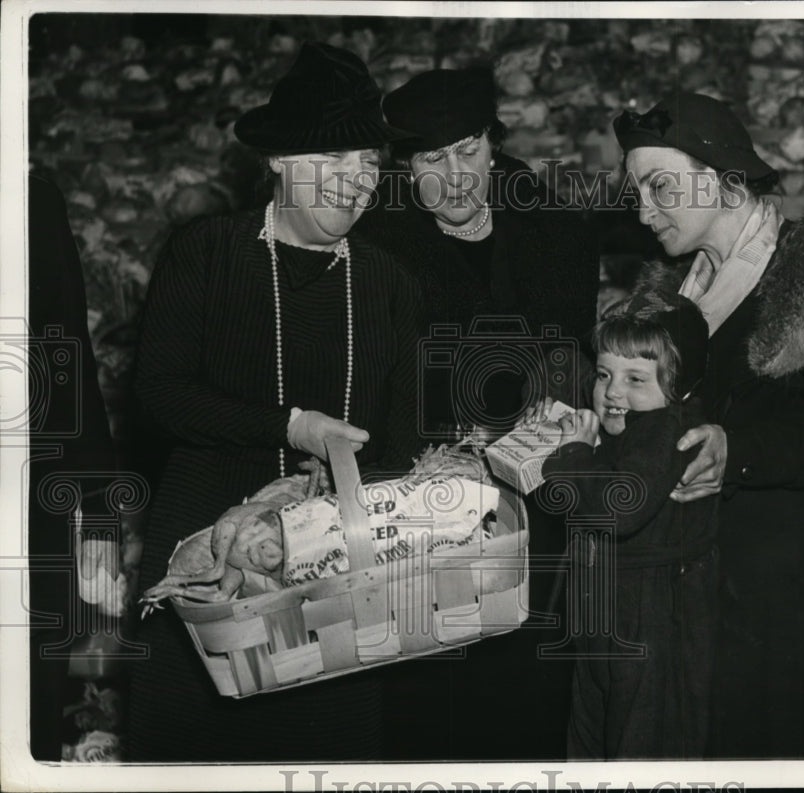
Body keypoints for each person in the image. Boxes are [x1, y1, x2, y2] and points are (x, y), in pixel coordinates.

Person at [127, 43, 423, 762]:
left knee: (317, 758)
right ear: (281, 162)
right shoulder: (207, 253)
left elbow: (405, 436)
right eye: (334, 158)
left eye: (369, 161)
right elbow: (159, 394)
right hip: (206, 568)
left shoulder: (389, 281)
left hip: (333, 578)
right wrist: (290, 427)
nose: (357, 180)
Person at [613, 92, 804, 758]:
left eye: (659, 186)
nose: (642, 210)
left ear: (724, 181)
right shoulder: (678, 289)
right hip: (686, 591)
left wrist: (741, 451)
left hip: (773, 602)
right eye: (636, 191)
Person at [354, 67, 599, 761]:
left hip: (535, 500)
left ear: (494, 143)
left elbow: (574, 355)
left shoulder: (556, 229)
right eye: (432, 160)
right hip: (424, 502)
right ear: (404, 168)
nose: (456, 177)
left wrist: (572, 405)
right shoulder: (375, 245)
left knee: (529, 689)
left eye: (469, 151)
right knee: (431, 695)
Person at [527, 275, 718, 759]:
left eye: (636, 379)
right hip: (610, 612)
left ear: (680, 386)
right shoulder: (634, 423)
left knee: (642, 747)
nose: (612, 392)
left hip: (653, 617)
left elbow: (619, 507)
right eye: (604, 374)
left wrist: (573, 452)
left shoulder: (666, 430)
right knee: (593, 736)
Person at [27, 170, 119, 761]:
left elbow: (65, 350)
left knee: (29, 678)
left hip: (25, 480)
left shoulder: (29, 198)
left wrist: (99, 508)